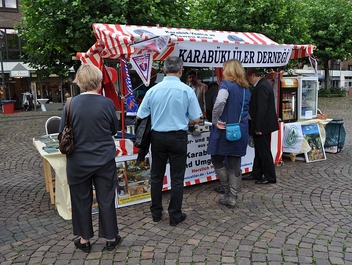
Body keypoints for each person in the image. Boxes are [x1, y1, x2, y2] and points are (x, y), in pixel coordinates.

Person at [59, 64, 121, 253]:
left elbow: (62, 131)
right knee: (106, 199)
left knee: (81, 200)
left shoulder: (70, 104)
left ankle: (85, 239)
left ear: (79, 82)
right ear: (99, 80)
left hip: (78, 161)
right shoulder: (107, 103)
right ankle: (110, 237)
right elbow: (114, 129)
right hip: (104, 159)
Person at [137, 56, 202, 226]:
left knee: (157, 176)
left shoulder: (153, 90)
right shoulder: (187, 90)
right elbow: (196, 119)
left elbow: (140, 115)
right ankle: (175, 215)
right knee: (177, 178)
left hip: (157, 137)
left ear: (164, 70)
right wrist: (182, 118)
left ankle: (156, 213)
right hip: (178, 137)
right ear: (180, 70)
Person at [206, 59, 251, 207]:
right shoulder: (246, 89)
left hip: (223, 129)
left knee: (217, 159)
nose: (223, 71)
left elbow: (220, 102)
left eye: (224, 68)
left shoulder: (225, 85)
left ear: (229, 70)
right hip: (240, 130)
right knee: (234, 163)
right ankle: (232, 197)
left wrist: (214, 119)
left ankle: (228, 193)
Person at [243, 68, 279, 184]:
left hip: (262, 126)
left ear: (252, 75)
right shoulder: (263, 85)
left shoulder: (262, 86)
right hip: (262, 125)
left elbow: (262, 109)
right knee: (259, 151)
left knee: (264, 151)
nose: (247, 81)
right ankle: (257, 173)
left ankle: (270, 176)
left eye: (247, 78)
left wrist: (258, 127)